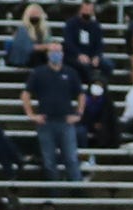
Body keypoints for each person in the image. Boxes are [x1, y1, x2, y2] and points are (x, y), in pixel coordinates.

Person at [22, 43, 85, 185]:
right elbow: (26, 94)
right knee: (49, 160)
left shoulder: (70, 73)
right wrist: (31, 114)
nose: (55, 54)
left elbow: (81, 94)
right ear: (48, 54)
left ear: (62, 54)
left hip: (65, 122)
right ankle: (54, 193)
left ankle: (77, 191)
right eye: (52, 51)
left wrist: (78, 113)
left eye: (58, 51)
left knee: (71, 158)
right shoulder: (39, 73)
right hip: (46, 122)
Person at [62, 1, 110, 85]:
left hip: (91, 56)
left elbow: (99, 44)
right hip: (73, 56)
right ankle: (91, 86)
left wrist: (97, 56)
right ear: (80, 10)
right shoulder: (71, 24)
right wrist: (79, 54)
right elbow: (68, 43)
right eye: (85, 9)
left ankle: (102, 86)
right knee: (85, 66)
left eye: (89, 10)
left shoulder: (96, 26)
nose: (87, 12)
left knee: (108, 65)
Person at [4, 3, 53, 68]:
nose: (35, 15)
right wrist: (44, 47)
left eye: (37, 13)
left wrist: (49, 47)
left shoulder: (45, 29)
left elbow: (48, 42)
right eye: (33, 13)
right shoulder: (22, 29)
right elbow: (27, 48)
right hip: (24, 58)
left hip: (40, 57)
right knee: (37, 55)